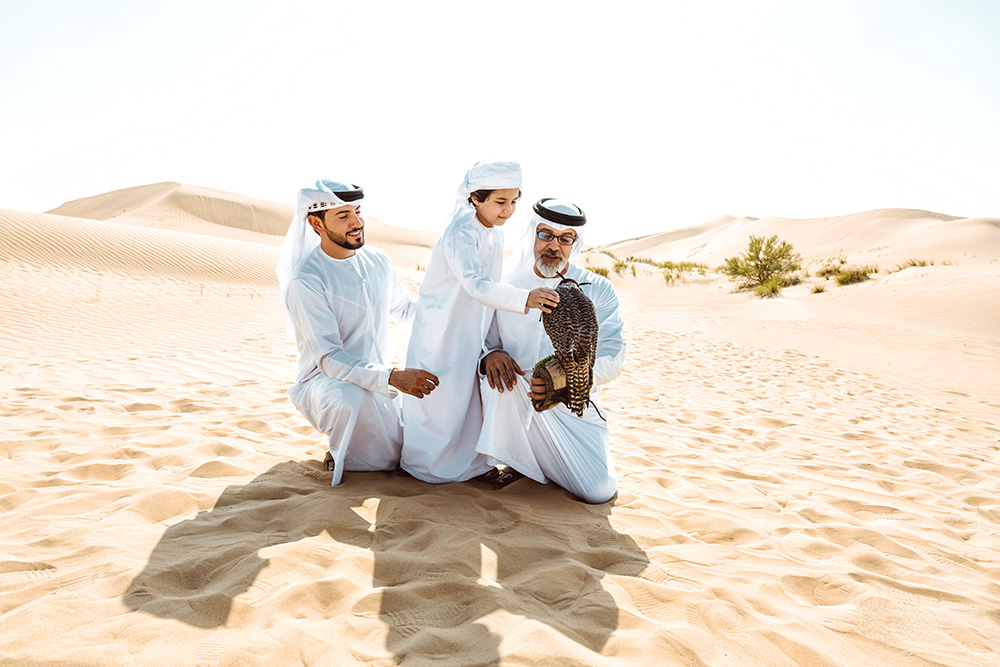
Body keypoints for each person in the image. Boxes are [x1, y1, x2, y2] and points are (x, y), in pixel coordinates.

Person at [400, 161, 560, 483]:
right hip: (441, 328)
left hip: (472, 329)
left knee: (465, 400)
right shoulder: (460, 231)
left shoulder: (495, 236)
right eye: (501, 202)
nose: (509, 210)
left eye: (514, 201)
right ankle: (425, 469)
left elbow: (487, 290)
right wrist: (523, 299)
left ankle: (469, 467)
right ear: (476, 197)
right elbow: (475, 284)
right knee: (439, 404)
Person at [277, 180, 439, 486]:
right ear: (316, 224)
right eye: (343, 216)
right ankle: (347, 457)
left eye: (358, 212)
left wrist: (449, 308)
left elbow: (405, 311)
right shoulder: (306, 281)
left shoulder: (377, 261)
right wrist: (392, 377)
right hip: (327, 384)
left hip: (382, 378)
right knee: (350, 399)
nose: (357, 223)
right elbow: (330, 359)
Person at [475, 198, 625, 503]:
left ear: (575, 243)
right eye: (545, 235)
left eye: (565, 238)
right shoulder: (504, 284)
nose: (554, 246)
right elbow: (482, 340)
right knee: (498, 381)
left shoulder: (597, 289)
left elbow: (613, 357)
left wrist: (561, 381)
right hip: (515, 397)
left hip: (571, 406)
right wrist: (490, 355)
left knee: (598, 491)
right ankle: (515, 459)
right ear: (532, 234)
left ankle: (535, 462)